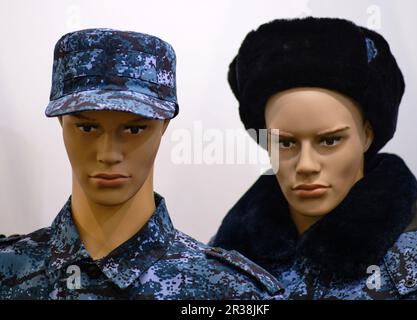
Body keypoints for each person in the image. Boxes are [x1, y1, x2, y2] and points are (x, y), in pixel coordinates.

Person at [0, 28, 283, 300]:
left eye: (134, 129)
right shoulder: (8, 271)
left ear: (164, 125)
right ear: (62, 122)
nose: (108, 154)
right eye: (87, 128)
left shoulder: (231, 292)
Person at [210, 17, 417, 299]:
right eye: (285, 142)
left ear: (367, 135)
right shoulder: (226, 257)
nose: (306, 165)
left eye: (329, 140)